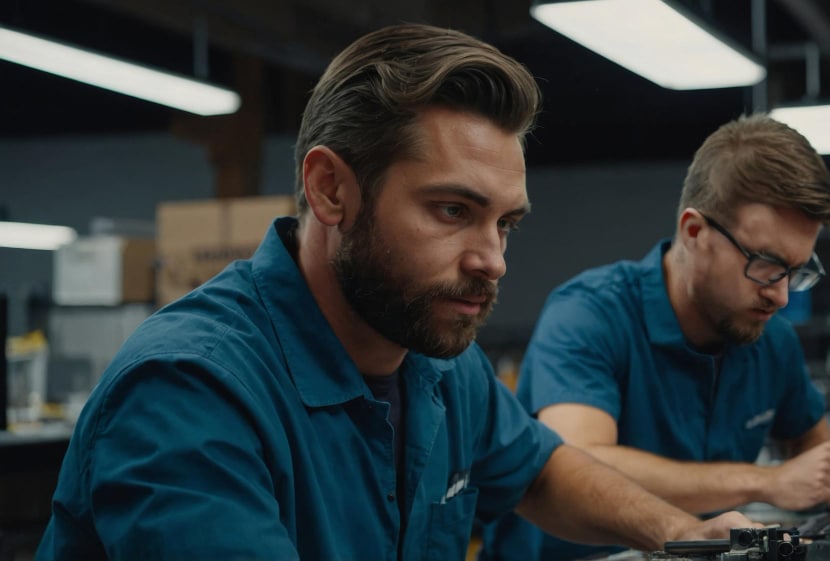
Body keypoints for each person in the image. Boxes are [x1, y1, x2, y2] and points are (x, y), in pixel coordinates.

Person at [35, 24, 753, 561]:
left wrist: (683, 535)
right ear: (331, 190)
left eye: (507, 223)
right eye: (452, 210)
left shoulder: (433, 357)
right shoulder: (189, 392)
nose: (493, 260)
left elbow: (537, 471)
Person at [479, 114, 830, 561]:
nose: (781, 295)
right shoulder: (590, 314)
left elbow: (815, 448)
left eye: (796, 271)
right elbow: (581, 458)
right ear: (694, 232)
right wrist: (768, 481)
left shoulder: (769, 339)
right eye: (767, 265)